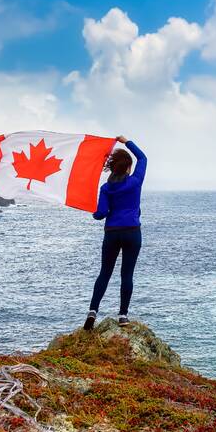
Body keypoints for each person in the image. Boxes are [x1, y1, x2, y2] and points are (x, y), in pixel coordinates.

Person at [84, 135, 146, 329]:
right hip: (132, 233)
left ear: (112, 168)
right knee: (126, 275)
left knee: (105, 273)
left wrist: (95, 213)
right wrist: (126, 141)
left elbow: (100, 214)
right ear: (128, 168)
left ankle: (93, 311)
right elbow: (143, 158)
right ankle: (123, 315)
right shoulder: (135, 182)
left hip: (112, 233)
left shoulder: (106, 188)